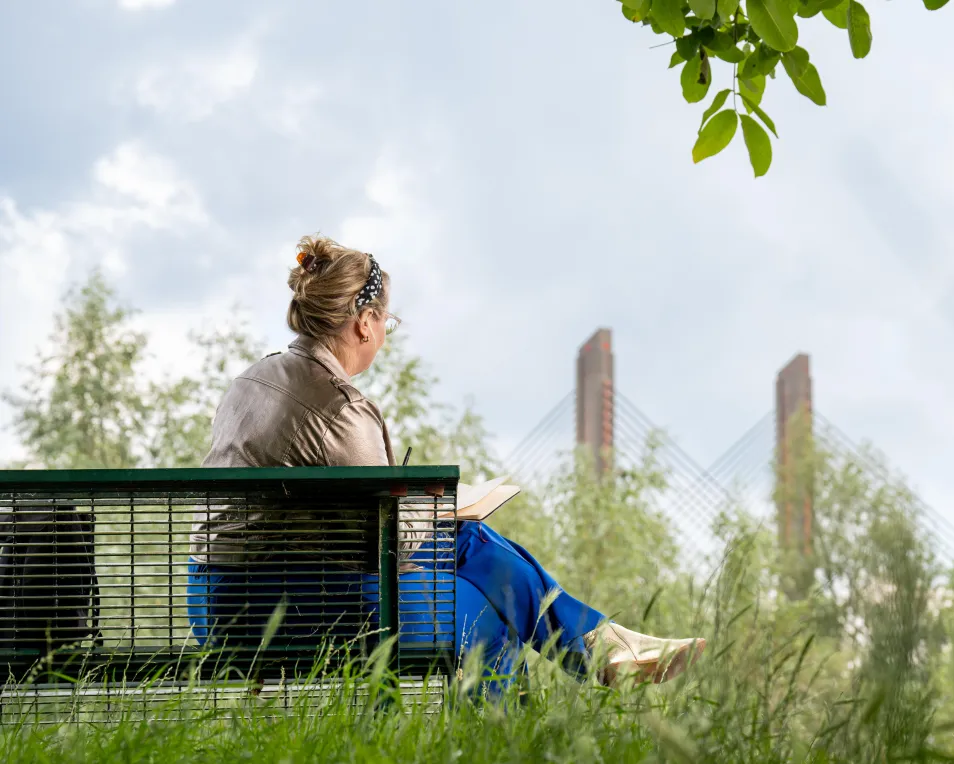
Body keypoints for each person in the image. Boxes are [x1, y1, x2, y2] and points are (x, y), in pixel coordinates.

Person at [186, 234, 705, 689]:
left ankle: (603, 648)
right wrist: (440, 507)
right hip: (280, 609)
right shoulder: (339, 407)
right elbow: (393, 541)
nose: (386, 331)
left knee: (474, 546)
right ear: (364, 324)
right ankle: (532, 722)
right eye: (386, 319)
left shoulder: (252, 380)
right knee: (493, 611)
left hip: (215, 597)